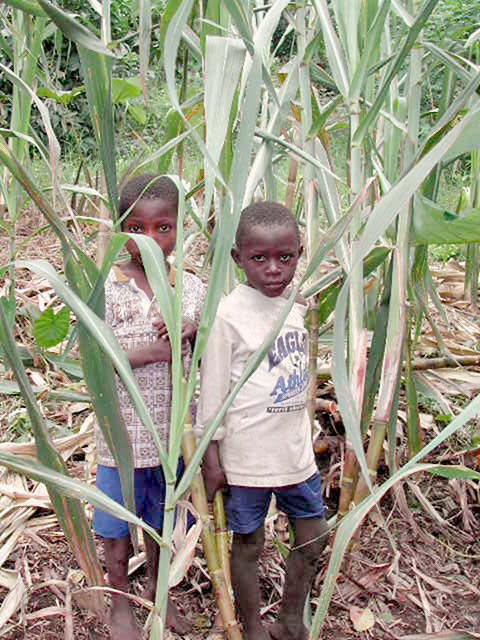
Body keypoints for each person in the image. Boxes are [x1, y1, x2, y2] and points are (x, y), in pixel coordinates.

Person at [197, 202, 329, 640]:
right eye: (259, 258)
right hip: (247, 460)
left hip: (294, 455)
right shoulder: (229, 316)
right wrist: (210, 458)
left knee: (312, 534)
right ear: (238, 258)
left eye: (285, 257)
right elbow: (212, 393)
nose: (273, 269)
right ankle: (252, 629)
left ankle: (291, 622)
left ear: (298, 253)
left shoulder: (295, 304)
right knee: (249, 543)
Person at [92, 174, 205, 640]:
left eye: (164, 227)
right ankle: (119, 603)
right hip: (121, 438)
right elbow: (97, 356)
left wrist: (184, 329)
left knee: (162, 524)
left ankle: (161, 597)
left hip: (171, 435)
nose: (152, 240)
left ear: (180, 228)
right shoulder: (106, 288)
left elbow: (201, 334)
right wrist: (153, 352)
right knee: (117, 526)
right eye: (136, 228)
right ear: (120, 228)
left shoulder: (191, 287)